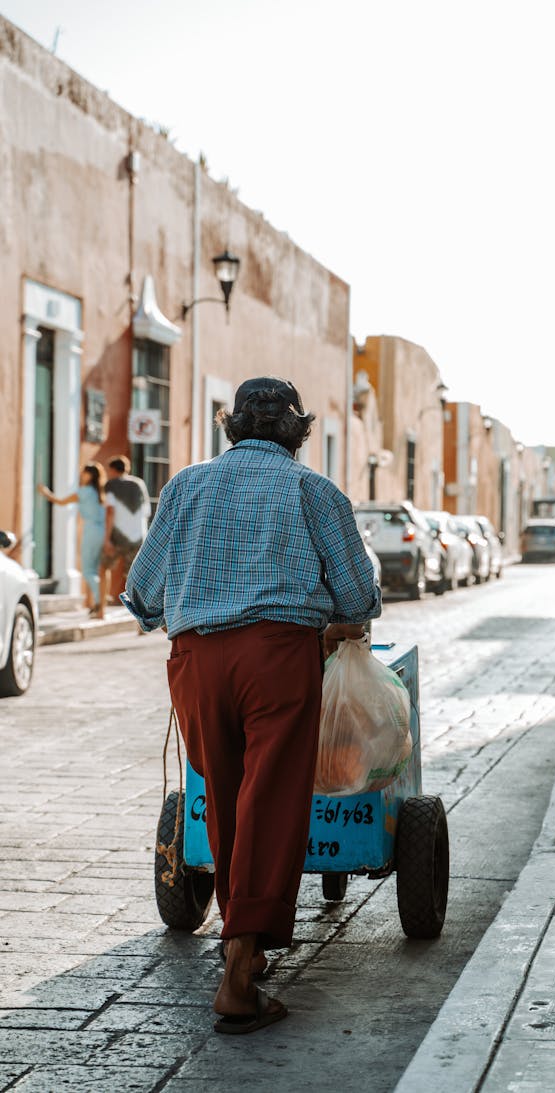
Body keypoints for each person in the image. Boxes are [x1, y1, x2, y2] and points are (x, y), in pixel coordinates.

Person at [121, 377, 381, 1035]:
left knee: (230, 796)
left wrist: (179, 606)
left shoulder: (185, 485)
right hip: (278, 658)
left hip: (198, 662)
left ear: (231, 426)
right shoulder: (314, 491)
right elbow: (356, 596)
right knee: (272, 801)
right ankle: (239, 970)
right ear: (297, 432)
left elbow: (141, 593)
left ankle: (249, 943)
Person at [37, 463, 106, 615]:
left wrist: (45, 492)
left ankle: (99, 603)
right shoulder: (98, 492)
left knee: (88, 571)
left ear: (90, 475)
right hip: (101, 531)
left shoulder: (85, 491)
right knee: (94, 569)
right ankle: (98, 604)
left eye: (84, 473)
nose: (81, 475)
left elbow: (61, 502)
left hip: (91, 531)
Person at [99, 456, 150, 619]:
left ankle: (101, 610)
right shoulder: (139, 484)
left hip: (118, 537)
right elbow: (146, 511)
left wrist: (107, 539)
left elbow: (110, 512)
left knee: (103, 569)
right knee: (135, 579)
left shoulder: (111, 485)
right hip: (138, 537)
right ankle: (140, 621)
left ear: (113, 470)